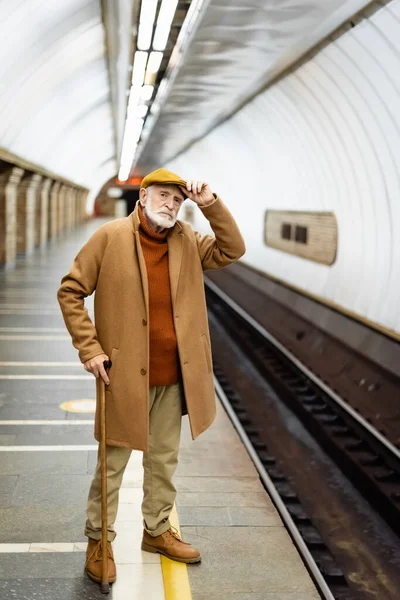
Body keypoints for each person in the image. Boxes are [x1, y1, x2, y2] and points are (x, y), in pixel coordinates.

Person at [57, 168, 246, 585]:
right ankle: (98, 541)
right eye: (163, 196)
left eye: (178, 201)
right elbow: (71, 290)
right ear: (142, 196)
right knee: (112, 464)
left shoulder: (189, 242)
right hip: (121, 377)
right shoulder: (109, 237)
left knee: (163, 460)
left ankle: (157, 531)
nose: (171, 205)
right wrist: (89, 348)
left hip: (173, 377)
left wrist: (210, 204)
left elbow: (233, 249)